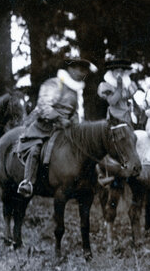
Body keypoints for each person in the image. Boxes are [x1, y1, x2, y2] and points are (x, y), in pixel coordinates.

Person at [17, 57, 97, 196]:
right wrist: (59, 119)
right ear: (70, 69)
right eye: (79, 69)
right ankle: (28, 182)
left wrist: (75, 124)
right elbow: (43, 106)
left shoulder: (75, 90)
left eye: (84, 70)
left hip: (66, 129)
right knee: (36, 149)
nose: (82, 73)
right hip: (44, 127)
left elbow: (76, 112)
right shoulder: (54, 84)